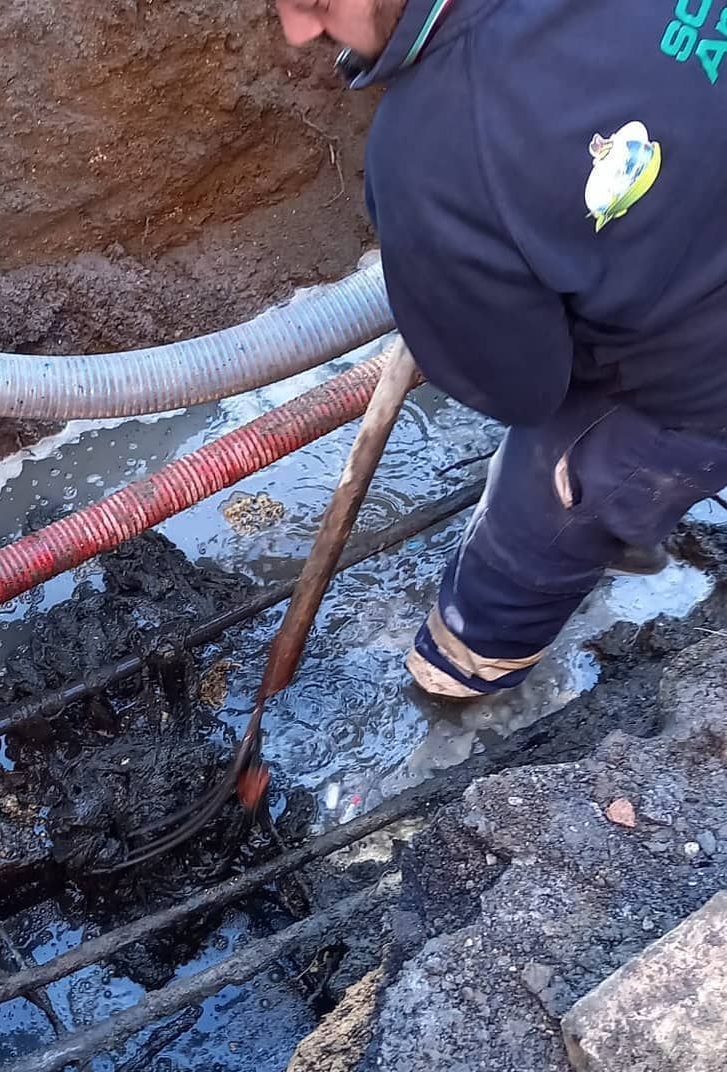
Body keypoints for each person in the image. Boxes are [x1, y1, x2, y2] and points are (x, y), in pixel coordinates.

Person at [275, 0, 727, 698]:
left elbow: (523, 391)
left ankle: (465, 678)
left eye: (318, 2)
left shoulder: (435, 148)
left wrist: (467, 288)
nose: (299, 30)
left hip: (704, 373)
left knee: (547, 501)